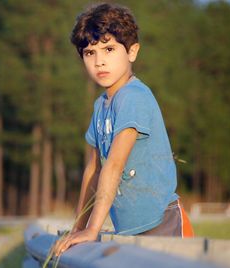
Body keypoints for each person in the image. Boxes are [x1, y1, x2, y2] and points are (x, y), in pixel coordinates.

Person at [53, 2, 193, 256]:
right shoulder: (101, 106)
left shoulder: (133, 97)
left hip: (163, 225)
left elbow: (115, 165)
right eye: (89, 53)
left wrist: (92, 230)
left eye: (108, 49)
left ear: (132, 52)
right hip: (129, 230)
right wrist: (78, 228)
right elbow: (93, 170)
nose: (99, 62)